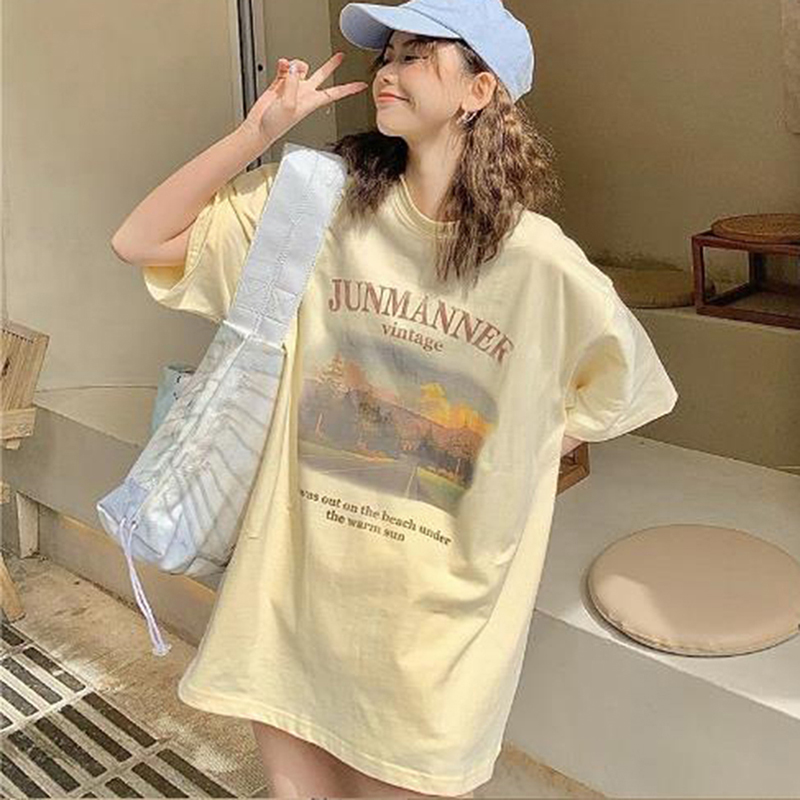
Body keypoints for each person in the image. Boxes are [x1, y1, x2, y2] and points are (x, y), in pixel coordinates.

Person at [111, 0, 679, 796]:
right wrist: (256, 133)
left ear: (480, 89)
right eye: (388, 54)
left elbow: (623, 391)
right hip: (292, 600)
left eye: (417, 54)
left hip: (434, 634)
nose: (388, 69)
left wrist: (510, 452)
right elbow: (140, 241)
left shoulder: (541, 266)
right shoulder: (319, 204)